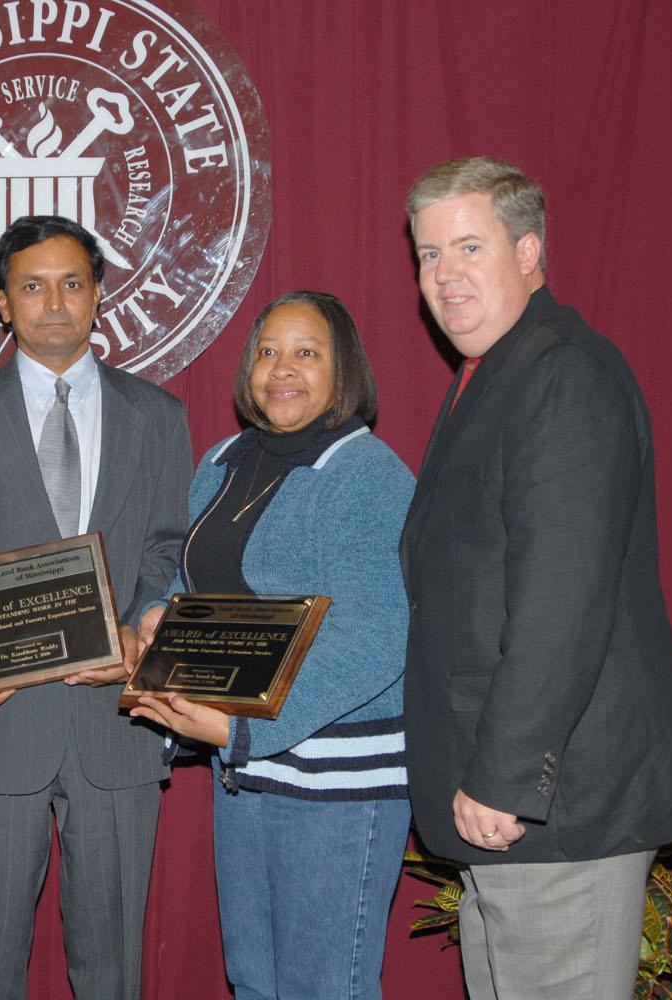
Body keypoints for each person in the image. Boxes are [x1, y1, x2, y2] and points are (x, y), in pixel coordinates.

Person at [399, 156, 672, 999]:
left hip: (556, 805)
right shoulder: (496, 377)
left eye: (469, 247)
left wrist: (502, 779)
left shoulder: (561, 373)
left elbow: (560, 601)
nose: (444, 276)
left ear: (530, 252)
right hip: (518, 808)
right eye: (428, 255)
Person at [0, 214, 193, 1000]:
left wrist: (141, 626)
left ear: (98, 296)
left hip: (117, 726)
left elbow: (169, 549)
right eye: (31, 285)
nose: (53, 302)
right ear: (0, 301)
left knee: (115, 969)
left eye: (71, 283)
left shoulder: (158, 416)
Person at [130, 291, 415, 1000]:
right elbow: (188, 575)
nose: (281, 369)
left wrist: (246, 729)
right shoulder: (224, 458)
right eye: (267, 351)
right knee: (255, 982)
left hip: (335, 782)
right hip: (246, 773)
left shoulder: (369, 474)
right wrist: (156, 616)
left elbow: (378, 636)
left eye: (306, 353)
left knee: (327, 988)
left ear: (342, 368)